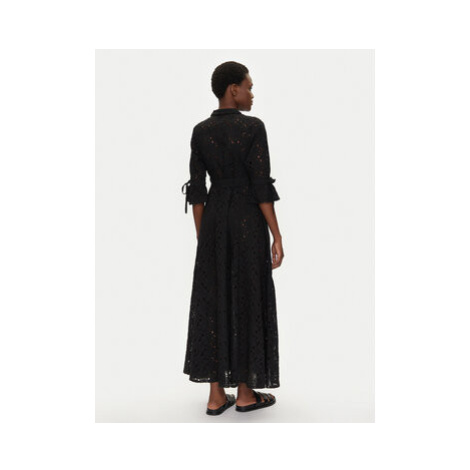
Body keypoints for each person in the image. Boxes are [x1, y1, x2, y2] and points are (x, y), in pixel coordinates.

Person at [181, 61, 285, 415]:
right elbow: (260, 185)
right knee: (247, 296)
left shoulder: (200, 131)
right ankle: (244, 392)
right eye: (249, 87)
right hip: (246, 221)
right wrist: (276, 234)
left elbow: (197, 191)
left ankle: (215, 396)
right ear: (233, 89)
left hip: (213, 221)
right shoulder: (253, 127)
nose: (252, 94)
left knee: (214, 298)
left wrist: (204, 239)